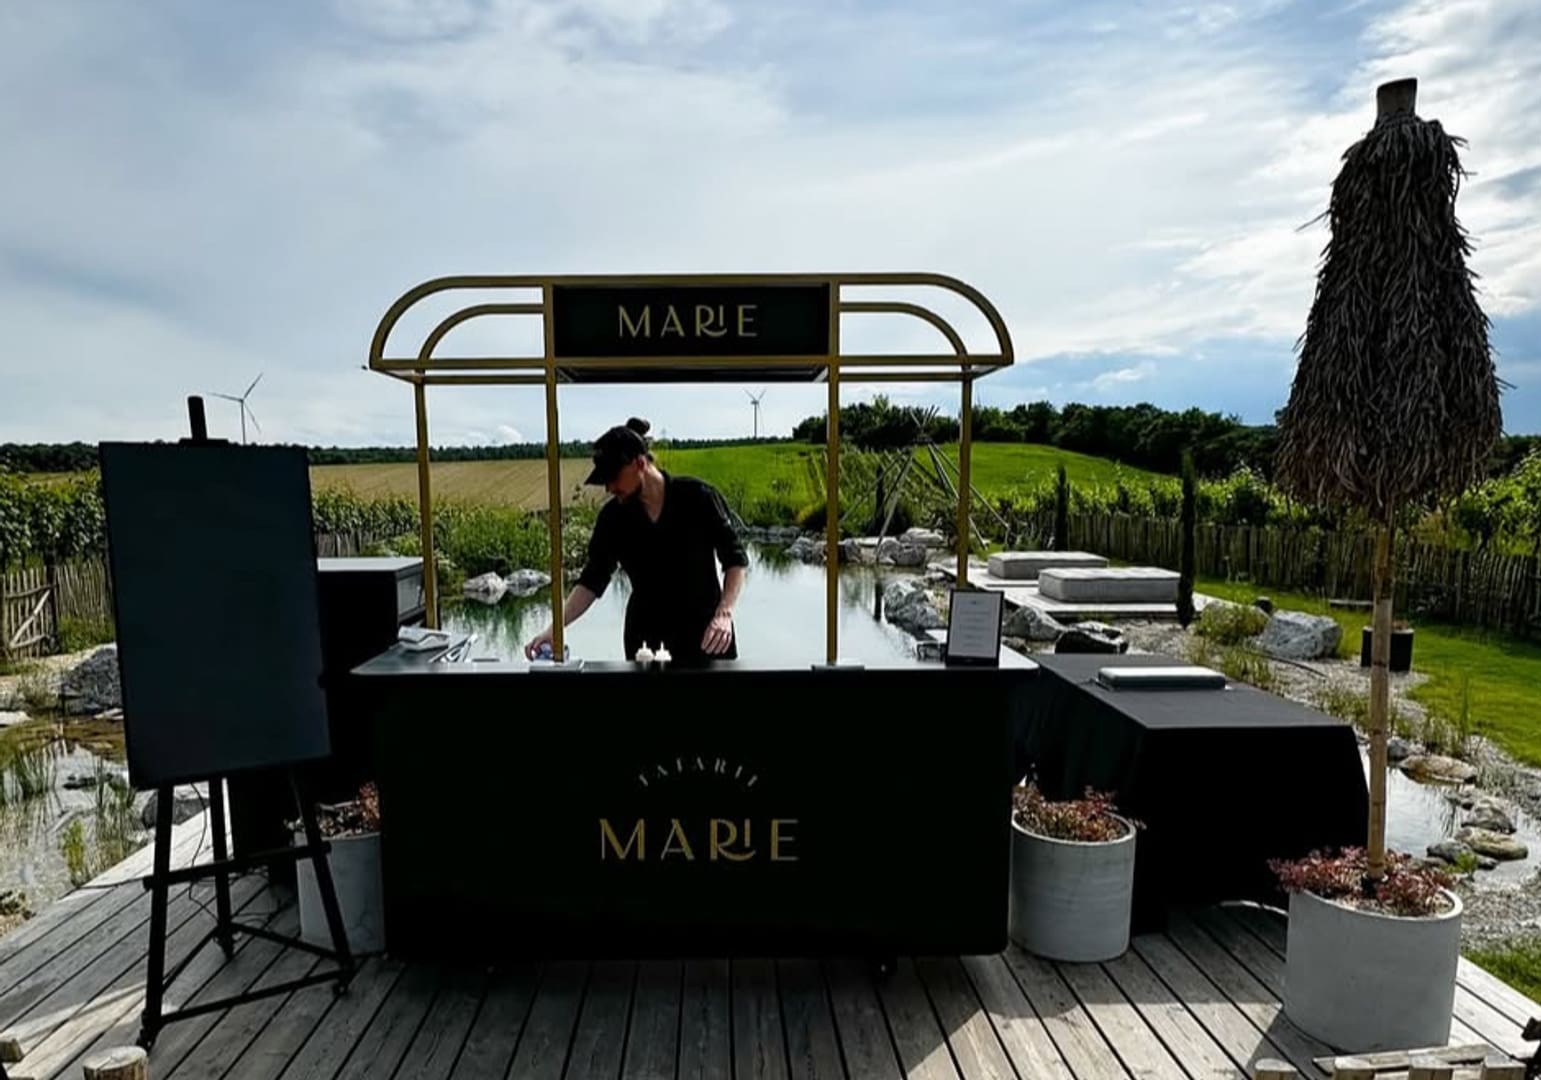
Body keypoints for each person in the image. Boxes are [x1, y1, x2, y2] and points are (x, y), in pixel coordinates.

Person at [523, 417, 748, 663]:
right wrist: (554, 629)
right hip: (646, 644)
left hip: (709, 637)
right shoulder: (613, 518)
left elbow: (735, 560)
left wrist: (724, 613)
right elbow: (592, 581)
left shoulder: (699, 498)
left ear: (640, 463)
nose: (609, 488)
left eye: (614, 477)